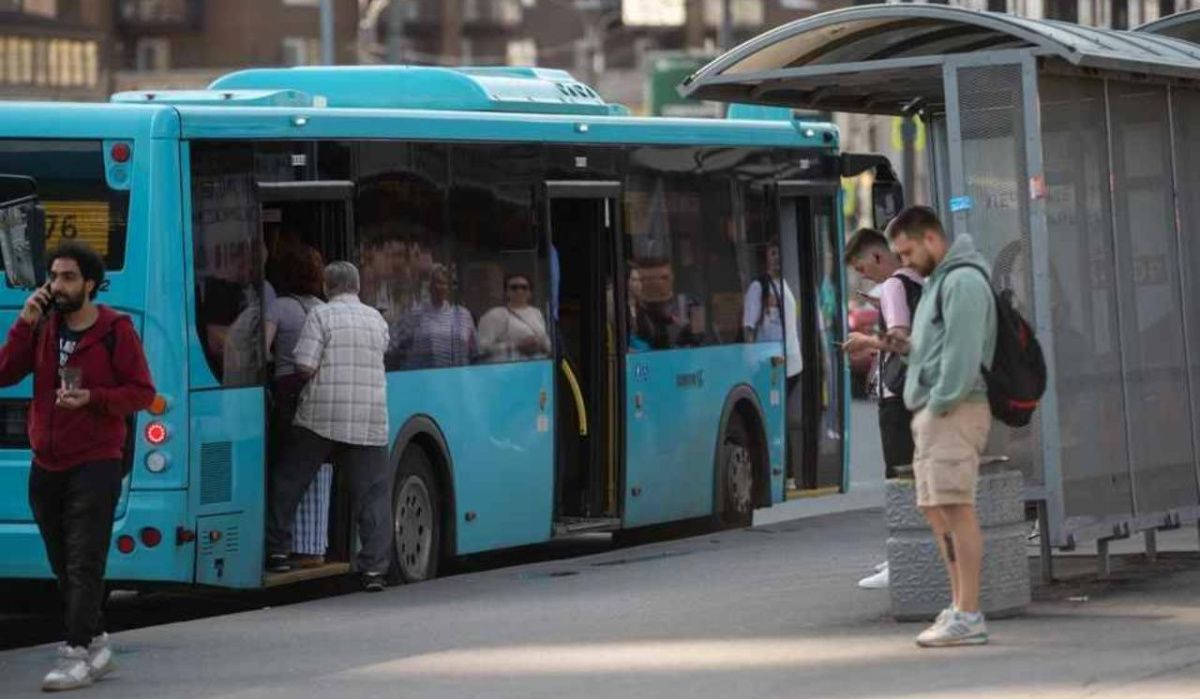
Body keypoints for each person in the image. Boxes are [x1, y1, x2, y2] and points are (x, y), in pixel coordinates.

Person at [0, 242, 156, 691]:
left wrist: (95, 399)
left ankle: (76, 651)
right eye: (52, 276)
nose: (56, 286)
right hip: (47, 460)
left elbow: (142, 392)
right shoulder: (43, 327)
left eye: (67, 277)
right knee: (61, 561)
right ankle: (98, 641)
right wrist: (23, 322)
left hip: (96, 459)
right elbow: (5, 372)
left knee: (85, 558)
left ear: (89, 284)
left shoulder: (114, 330)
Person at [884, 206, 997, 647]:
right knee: (938, 509)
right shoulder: (938, 282)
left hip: (954, 409)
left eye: (907, 252)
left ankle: (969, 612)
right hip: (937, 410)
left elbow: (963, 355)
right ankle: (959, 606)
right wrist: (906, 348)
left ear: (932, 239)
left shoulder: (962, 281)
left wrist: (939, 401)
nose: (904, 262)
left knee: (955, 507)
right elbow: (939, 348)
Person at [265, 262, 393, 592]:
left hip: (322, 415)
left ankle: (278, 550)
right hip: (368, 418)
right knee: (373, 493)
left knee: (289, 480)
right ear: (358, 285)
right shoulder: (376, 319)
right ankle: (374, 570)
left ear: (326, 286)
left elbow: (305, 365)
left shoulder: (321, 316)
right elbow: (384, 352)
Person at [841, 227, 924, 590]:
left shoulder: (893, 285)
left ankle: (905, 557)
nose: (864, 277)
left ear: (877, 257)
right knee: (916, 476)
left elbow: (902, 339)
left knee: (901, 477)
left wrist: (866, 341)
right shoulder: (916, 280)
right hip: (917, 391)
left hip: (897, 393)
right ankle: (909, 552)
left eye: (862, 268)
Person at [270, 243, 332, 569]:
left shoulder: (279, 307)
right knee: (313, 469)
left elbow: (262, 349)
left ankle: (278, 548)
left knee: (283, 475)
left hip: (286, 394)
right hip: (320, 395)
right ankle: (312, 545)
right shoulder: (324, 309)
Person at [388, 264, 477, 369]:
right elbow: (392, 346)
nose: (442, 287)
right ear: (429, 286)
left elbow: (475, 352)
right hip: (425, 380)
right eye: (438, 282)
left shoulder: (463, 316)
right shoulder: (415, 315)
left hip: (458, 379)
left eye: (445, 283)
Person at [742, 240, 803, 379]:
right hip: (770, 362)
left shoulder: (785, 284)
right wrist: (751, 362)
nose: (777, 257)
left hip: (792, 362)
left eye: (779, 253)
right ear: (766, 259)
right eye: (773, 253)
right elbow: (749, 327)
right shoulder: (758, 286)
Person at [477, 273, 550, 363]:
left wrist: (540, 346)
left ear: (530, 293)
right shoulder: (495, 315)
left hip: (538, 367)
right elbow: (481, 348)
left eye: (524, 287)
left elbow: (546, 343)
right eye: (514, 287)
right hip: (509, 370)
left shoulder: (536, 313)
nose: (519, 291)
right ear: (506, 292)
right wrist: (516, 346)